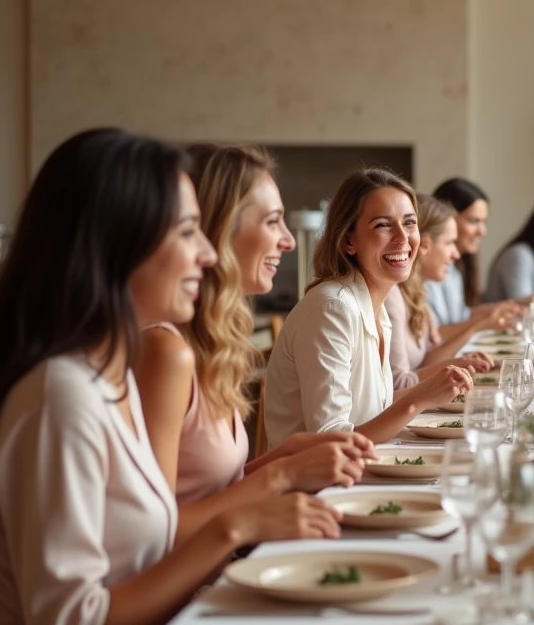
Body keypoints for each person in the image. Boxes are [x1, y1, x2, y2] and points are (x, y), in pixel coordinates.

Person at [0, 129, 341, 625]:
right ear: (116, 242)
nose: (208, 253)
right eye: (188, 232)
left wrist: (268, 478)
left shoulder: (110, 378)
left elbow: (150, 541)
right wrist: (239, 526)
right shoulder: (61, 397)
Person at [133, 143, 376, 536]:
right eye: (272, 222)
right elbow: (153, 535)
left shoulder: (212, 343)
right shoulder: (165, 351)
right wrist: (278, 476)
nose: (289, 240)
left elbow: (205, 490)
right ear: (219, 229)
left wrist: (282, 460)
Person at [264, 170, 472, 448]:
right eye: (382, 225)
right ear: (349, 240)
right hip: (318, 487)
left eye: (409, 223)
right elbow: (329, 437)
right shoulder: (333, 308)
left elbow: (377, 407)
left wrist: (433, 391)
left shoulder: (375, 307)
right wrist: (418, 398)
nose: (402, 238)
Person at [386, 194, 507, 388]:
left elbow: (426, 361)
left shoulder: (416, 291)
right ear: (424, 244)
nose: (456, 254)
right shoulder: (393, 295)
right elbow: (398, 384)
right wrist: (471, 335)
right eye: (449, 242)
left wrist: (465, 363)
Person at [423, 178, 524, 336]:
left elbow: (460, 316)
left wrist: (500, 310)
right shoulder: (428, 271)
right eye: (474, 221)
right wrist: (481, 324)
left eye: (484, 222)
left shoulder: (454, 269)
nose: (482, 231)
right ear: (448, 219)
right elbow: (432, 336)